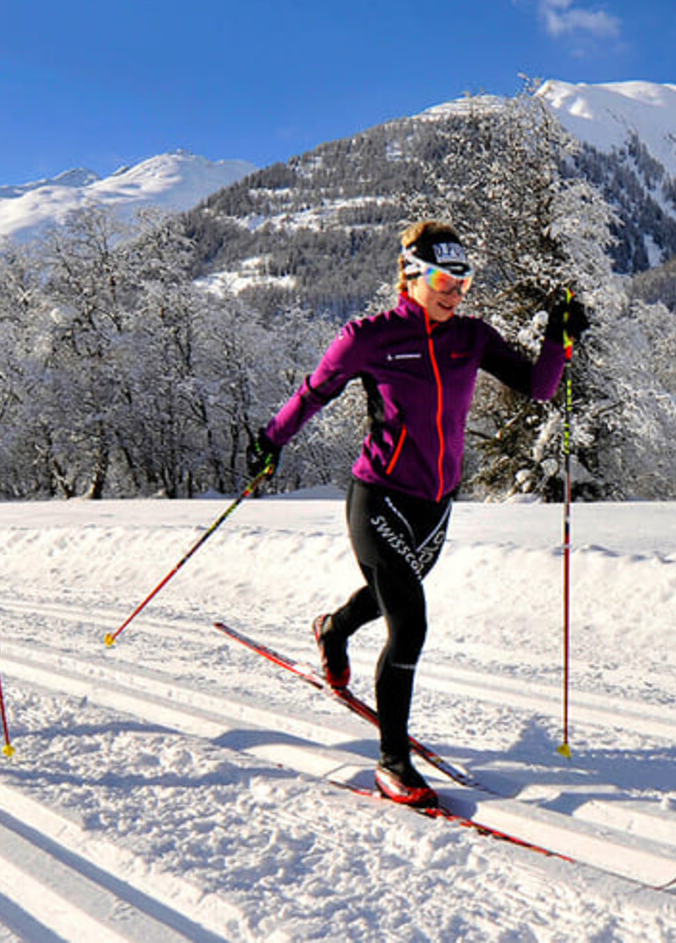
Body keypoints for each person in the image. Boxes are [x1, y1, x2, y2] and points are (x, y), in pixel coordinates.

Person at [249, 221, 587, 805]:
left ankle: (332, 629)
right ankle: (392, 762)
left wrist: (559, 339)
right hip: (378, 494)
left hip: (435, 504)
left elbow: (537, 387)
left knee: (388, 595)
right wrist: (271, 441)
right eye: (444, 280)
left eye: (464, 280)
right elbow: (314, 392)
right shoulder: (368, 338)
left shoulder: (471, 338)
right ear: (410, 277)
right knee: (409, 621)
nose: (456, 292)